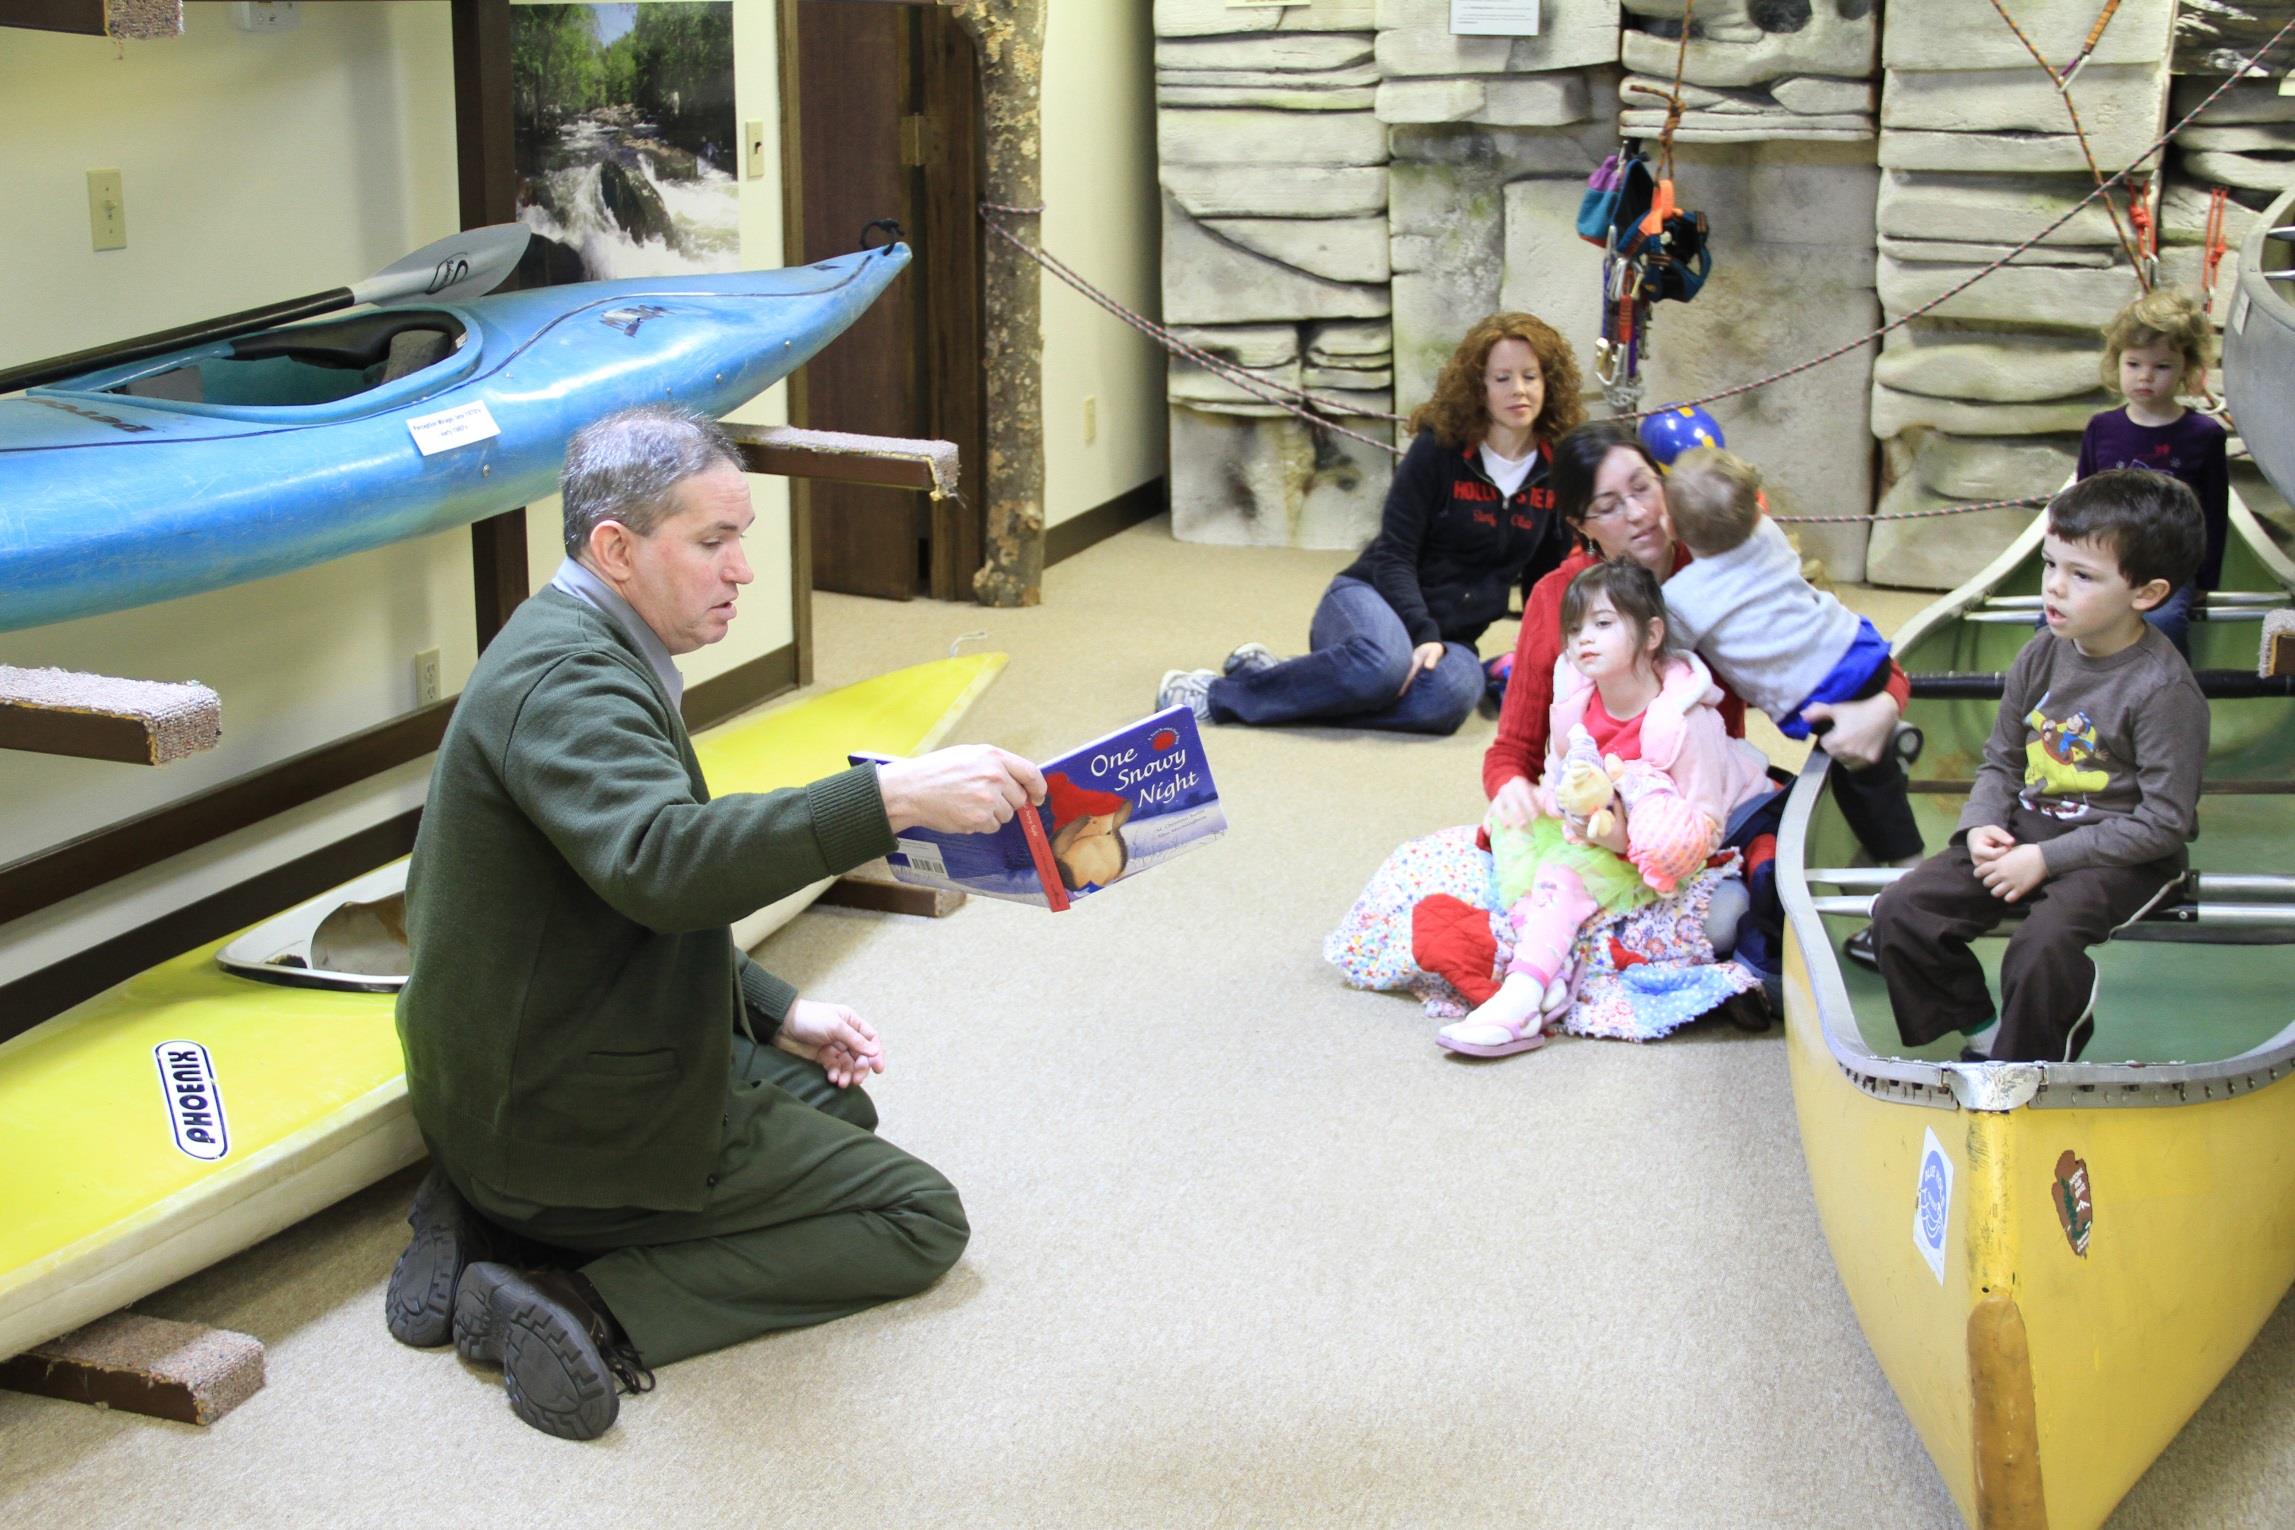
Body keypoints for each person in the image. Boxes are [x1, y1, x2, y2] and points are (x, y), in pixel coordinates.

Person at [385, 404, 1046, 1440]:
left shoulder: (572, 634)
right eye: (713, 541)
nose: (743, 570)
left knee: (836, 1111)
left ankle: (481, 1213)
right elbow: (662, 867)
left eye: (740, 537)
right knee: (916, 1218)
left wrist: (777, 1014)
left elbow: (603, 901)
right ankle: (573, 1301)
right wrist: (890, 801)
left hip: (517, 1069)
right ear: (615, 548)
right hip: (545, 1116)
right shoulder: (570, 683)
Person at [1482, 421, 1913, 1000]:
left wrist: (1883, 708)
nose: (1636, 513)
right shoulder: (1560, 599)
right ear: (1581, 526)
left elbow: (1835, 642)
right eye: (1609, 507)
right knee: (1726, 913)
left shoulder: (1718, 561)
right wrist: (1509, 784)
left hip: (1707, 803)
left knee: (1791, 853)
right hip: (1608, 816)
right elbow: (1513, 750)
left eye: (1642, 487)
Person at [1870, 471, 2207, 1064]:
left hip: (2125, 855)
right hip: (2031, 826)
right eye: (2051, 565)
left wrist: (2045, 859)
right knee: (1901, 911)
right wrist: (1979, 826)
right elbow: (2001, 760)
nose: (2053, 588)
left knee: (2042, 946)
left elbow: (2164, 823)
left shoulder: (2163, 691)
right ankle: (1983, 1034)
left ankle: (2032, 1064)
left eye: (2081, 576)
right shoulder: (2040, 653)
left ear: (2147, 594)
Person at [1156, 311, 1584, 735]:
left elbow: (1545, 578)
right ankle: (1216, 695)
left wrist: (1548, 656)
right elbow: (1395, 555)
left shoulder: (1556, 467)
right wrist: (1423, 633)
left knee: (1451, 698)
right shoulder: (1440, 449)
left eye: (1530, 376)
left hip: (1455, 636)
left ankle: (1288, 677)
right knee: (1383, 666)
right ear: (1480, 387)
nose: (1519, 390)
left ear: (1548, 382)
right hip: (1370, 600)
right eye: (1502, 378)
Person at [1437, 560, 1772, 1056]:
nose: (1583, 639)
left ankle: (1524, 992)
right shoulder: (1576, 701)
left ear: (1652, 633)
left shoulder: (1685, 720)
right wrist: (1551, 803)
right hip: (1601, 838)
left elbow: (1702, 825)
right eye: (1574, 629)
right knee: (1514, 857)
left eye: (1603, 623)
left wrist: (1620, 837)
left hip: (1676, 852)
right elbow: (1562, 776)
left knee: (1579, 883)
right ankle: (1543, 974)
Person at [1661, 447, 1923, 867]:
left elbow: (1665, 649)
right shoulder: (1767, 533)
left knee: (1861, 785)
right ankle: (1893, 738)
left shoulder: (1682, 600)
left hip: (1825, 692)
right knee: (1872, 769)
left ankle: (1904, 859)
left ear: (1671, 526)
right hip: (1859, 647)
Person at [2073, 287, 2228, 658]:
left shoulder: (2204, 435)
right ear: (2118, 362)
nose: (2145, 377)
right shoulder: (2101, 428)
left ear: (2186, 370)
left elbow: (2215, 513)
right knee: (2052, 622)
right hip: (2105, 559)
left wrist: (2206, 579)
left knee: (2164, 621)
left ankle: (2165, 697)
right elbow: (2082, 504)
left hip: (2168, 563)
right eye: (2134, 364)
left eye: (2161, 366)